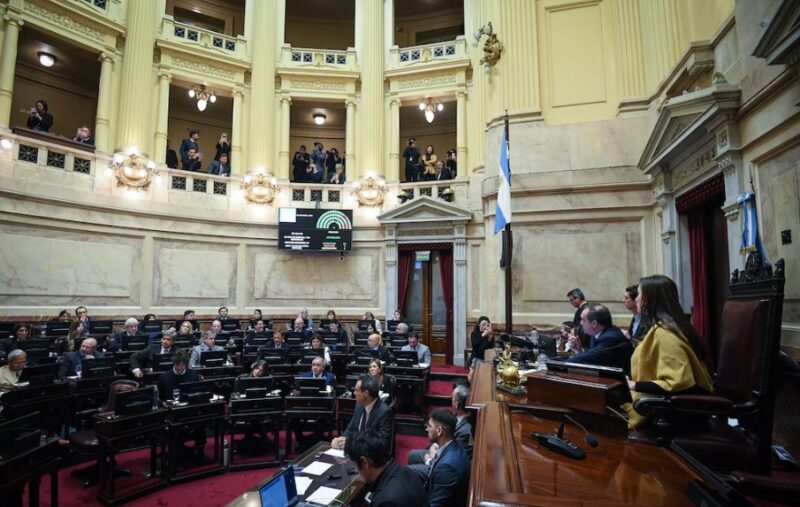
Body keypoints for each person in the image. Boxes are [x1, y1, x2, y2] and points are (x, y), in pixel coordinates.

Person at [625, 275, 713, 428]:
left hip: (679, 413)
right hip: (675, 405)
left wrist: (634, 385)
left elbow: (676, 382)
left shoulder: (664, 332)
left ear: (649, 299)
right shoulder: (671, 325)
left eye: (639, 294)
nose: (636, 299)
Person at [344, 430, 429, 507]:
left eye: (355, 466)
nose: (356, 471)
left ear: (365, 462)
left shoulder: (386, 501)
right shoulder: (405, 471)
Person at [416, 409, 470, 507]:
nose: (427, 429)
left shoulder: (447, 467)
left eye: (430, 426)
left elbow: (435, 504)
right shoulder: (453, 445)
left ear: (439, 431)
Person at [565, 304, 633, 374]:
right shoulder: (597, 334)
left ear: (594, 323)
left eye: (583, 320)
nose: (581, 323)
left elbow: (587, 359)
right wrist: (578, 349)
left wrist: (560, 365)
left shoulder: (611, 338)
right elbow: (591, 359)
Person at [332, 375, 393, 450]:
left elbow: (383, 443)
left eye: (356, 390)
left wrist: (353, 441)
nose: (354, 393)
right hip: (355, 451)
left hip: (372, 454)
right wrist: (340, 440)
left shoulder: (384, 412)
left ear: (366, 393)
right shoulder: (359, 406)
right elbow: (350, 429)